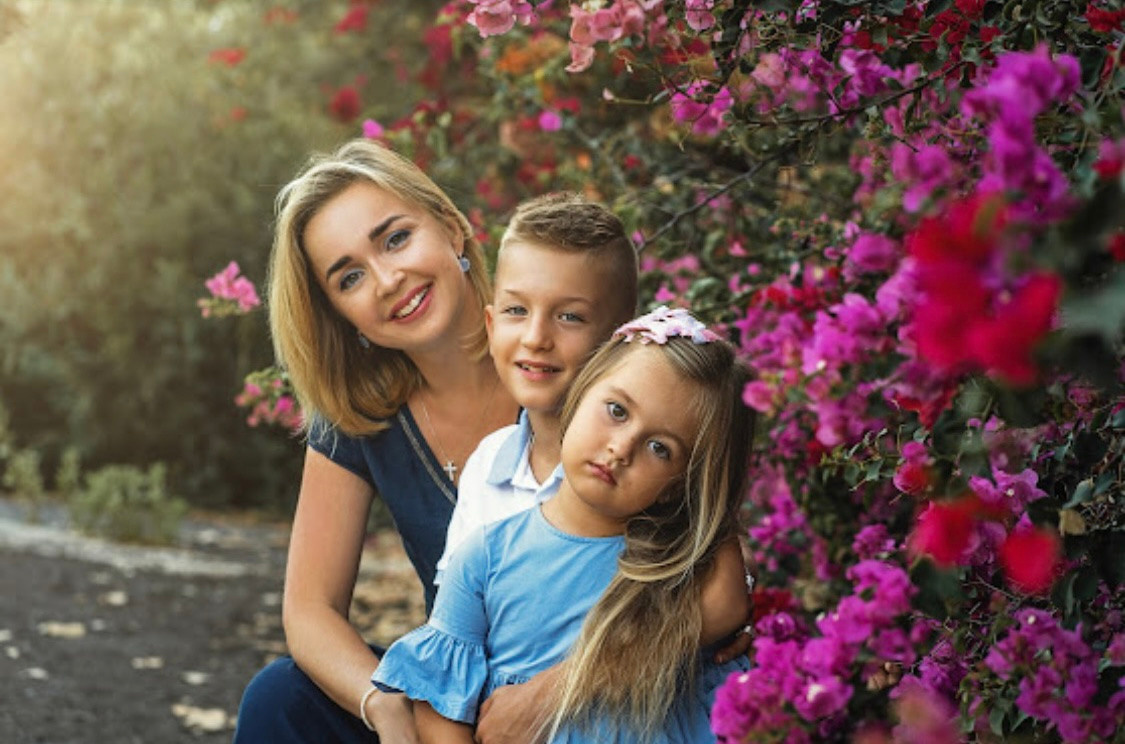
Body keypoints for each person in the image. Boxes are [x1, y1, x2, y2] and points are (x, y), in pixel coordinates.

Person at [233, 139, 521, 743]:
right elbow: (308, 610)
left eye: (395, 238)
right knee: (281, 700)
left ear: (452, 227)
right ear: (340, 314)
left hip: (602, 688)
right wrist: (383, 706)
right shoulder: (361, 417)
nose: (389, 280)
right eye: (350, 277)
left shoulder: (562, 362)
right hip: (455, 715)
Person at [373, 307, 756, 743]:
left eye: (659, 447)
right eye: (616, 410)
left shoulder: (674, 565)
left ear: (676, 486)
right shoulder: (485, 556)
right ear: (580, 393)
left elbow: (728, 605)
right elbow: (442, 708)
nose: (620, 448)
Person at [434, 191, 640, 585]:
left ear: (620, 339)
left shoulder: (634, 469)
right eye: (517, 310)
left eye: (569, 316)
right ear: (492, 327)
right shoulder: (487, 466)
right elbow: (454, 614)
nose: (535, 337)